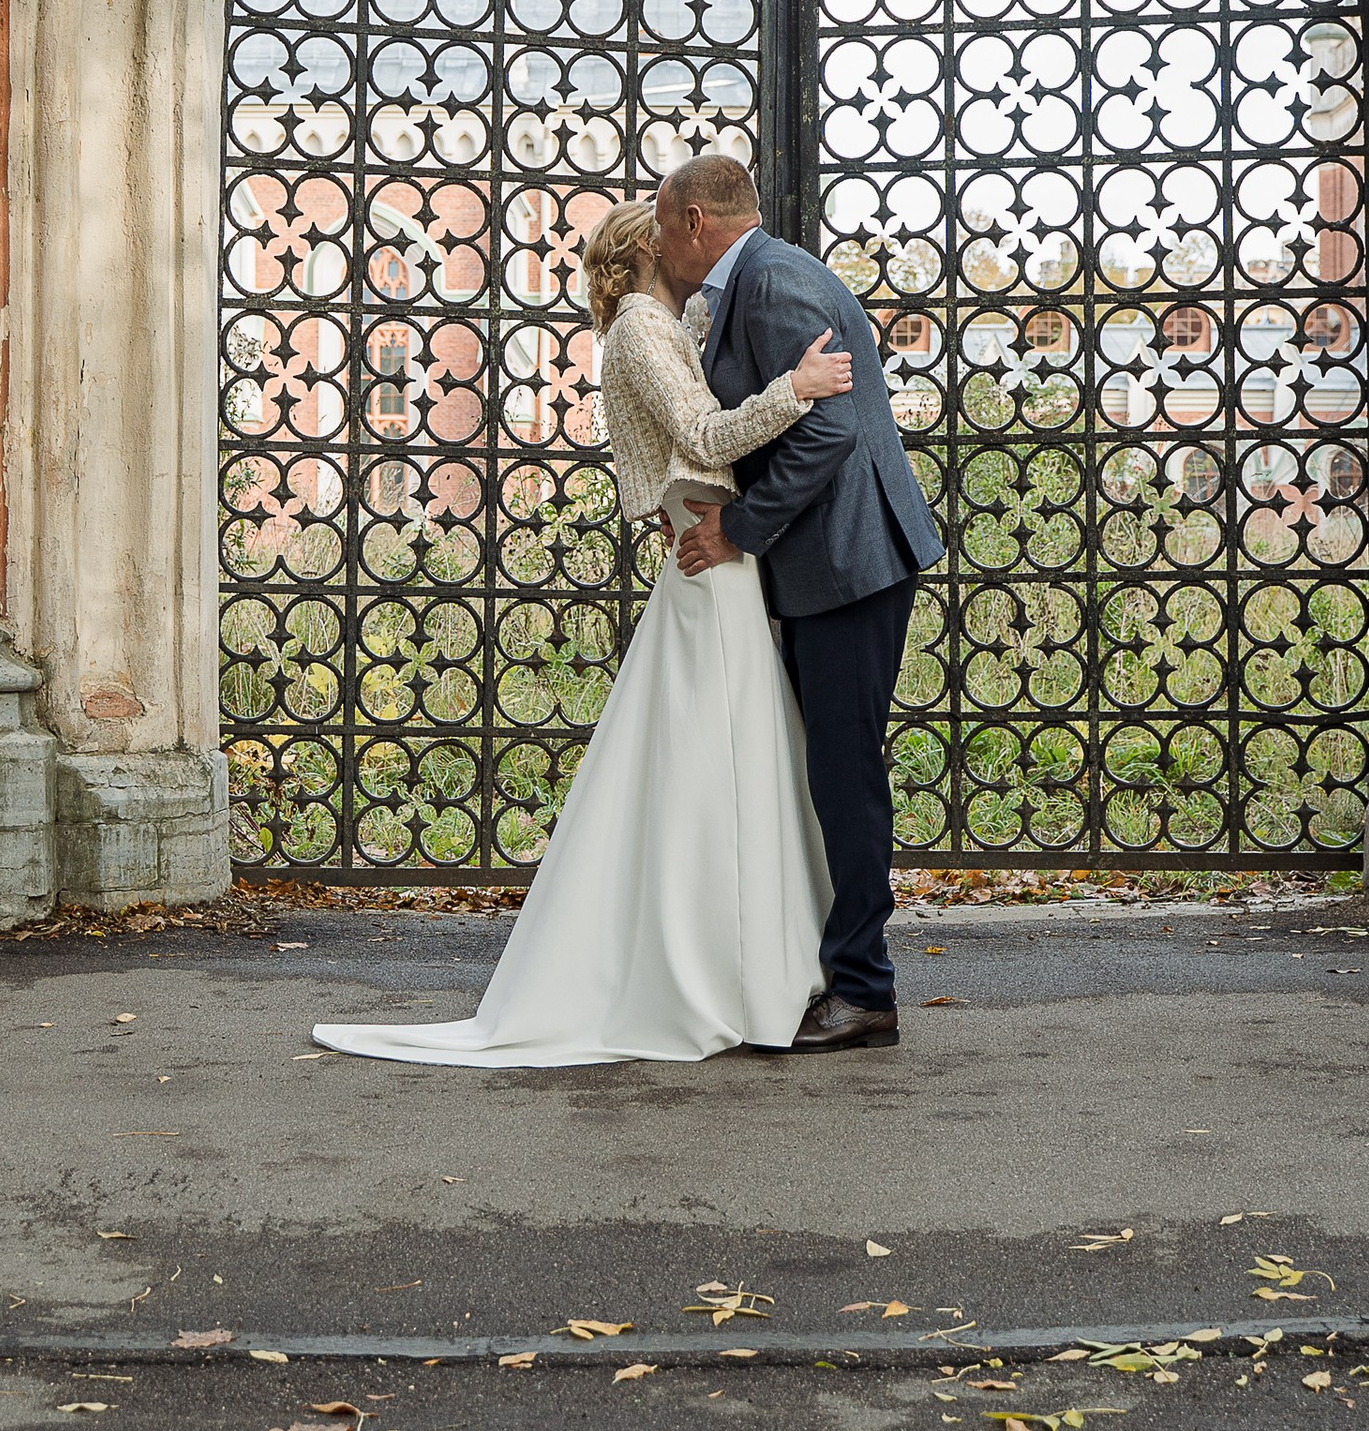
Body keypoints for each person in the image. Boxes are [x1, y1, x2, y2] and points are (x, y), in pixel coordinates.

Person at [311, 197, 853, 1067]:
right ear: (652, 244)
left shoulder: (663, 322)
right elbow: (705, 433)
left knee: (727, 763)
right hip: (707, 559)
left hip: (718, 559)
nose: (692, 242)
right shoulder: (640, 326)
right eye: (674, 228)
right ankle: (722, 974)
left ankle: (756, 966)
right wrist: (798, 388)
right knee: (713, 769)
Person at [658, 153, 942, 1052]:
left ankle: (864, 990)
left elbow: (831, 425)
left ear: (697, 221)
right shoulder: (764, 279)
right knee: (825, 771)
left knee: (843, 775)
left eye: (666, 226)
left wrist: (740, 532)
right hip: (829, 564)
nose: (662, 245)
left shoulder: (775, 282)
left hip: (849, 564)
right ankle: (830, 970)